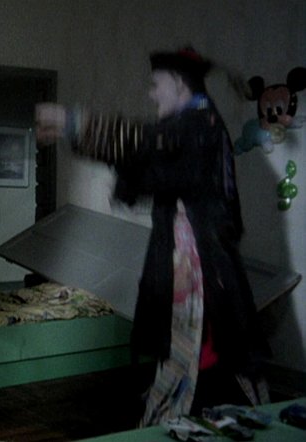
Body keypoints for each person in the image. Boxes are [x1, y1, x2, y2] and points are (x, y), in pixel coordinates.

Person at [35, 47, 269, 425]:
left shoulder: (200, 124)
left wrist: (75, 122)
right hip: (196, 260)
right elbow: (152, 159)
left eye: (156, 84)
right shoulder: (196, 125)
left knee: (198, 358)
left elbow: (146, 142)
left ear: (179, 84)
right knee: (205, 358)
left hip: (199, 267)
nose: (152, 93)